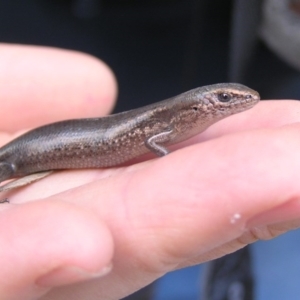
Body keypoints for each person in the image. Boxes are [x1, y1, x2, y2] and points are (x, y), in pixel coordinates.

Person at [1, 44, 300, 300]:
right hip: (27, 153)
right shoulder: (172, 120)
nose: (235, 102)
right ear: (196, 107)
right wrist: (167, 160)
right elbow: (150, 140)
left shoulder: (181, 118)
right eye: (224, 98)